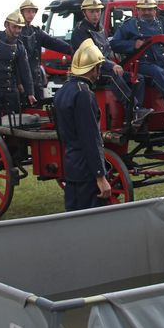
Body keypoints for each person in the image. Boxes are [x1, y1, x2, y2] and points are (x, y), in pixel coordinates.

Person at [71, 0, 151, 126]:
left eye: (98, 11)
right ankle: (134, 109)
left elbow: (106, 50)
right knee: (112, 75)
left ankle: (133, 117)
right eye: (92, 12)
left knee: (138, 78)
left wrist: (116, 60)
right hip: (89, 71)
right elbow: (92, 55)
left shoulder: (100, 28)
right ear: (84, 12)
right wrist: (111, 65)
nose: (96, 15)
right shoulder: (80, 31)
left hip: (104, 68)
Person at [54, 38, 112, 211]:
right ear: (93, 68)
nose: (99, 72)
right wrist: (100, 175)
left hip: (72, 166)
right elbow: (90, 138)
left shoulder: (63, 91)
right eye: (98, 68)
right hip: (86, 170)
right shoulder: (84, 94)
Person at [18, 0, 73, 101]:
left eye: (33, 12)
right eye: (28, 11)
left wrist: (73, 50)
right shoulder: (16, 32)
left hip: (35, 78)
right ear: (22, 12)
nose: (31, 14)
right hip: (21, 79)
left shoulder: (36, 31)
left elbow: (53, 42)